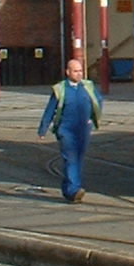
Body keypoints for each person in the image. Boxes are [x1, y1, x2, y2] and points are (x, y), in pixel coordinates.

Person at [37, 58, 102, 203]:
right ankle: (74, 190)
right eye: (75, 71)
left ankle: (68, 190)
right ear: (68, 72)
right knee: (71, 159)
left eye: (80, 71)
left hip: (83, 129)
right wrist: (43, 129)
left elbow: (98, 101)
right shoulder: (60, 89)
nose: (79, 74)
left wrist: (93, 119)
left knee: (78, 159)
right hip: (66, 130)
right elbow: (50, 110)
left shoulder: (88, 86)